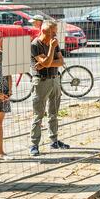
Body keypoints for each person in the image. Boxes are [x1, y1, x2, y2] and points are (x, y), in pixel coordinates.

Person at [30, 20, 68, 156]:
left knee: (54, 113)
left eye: (56, 31)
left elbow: (61, 62)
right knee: (38, 115)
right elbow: (46, 62)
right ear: (44, 32)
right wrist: (50, 52)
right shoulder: (35, 45)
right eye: (53, 32)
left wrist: (46, 64)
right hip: (41, 81)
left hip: (54, 80)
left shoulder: (54, 42)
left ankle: (54, 140)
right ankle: (34, 144)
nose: (55, 35)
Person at [0, 30, 9, 160]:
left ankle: (1, 152)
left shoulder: (3, 55)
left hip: (3, 93)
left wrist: (9, 90)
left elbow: (9, 74)